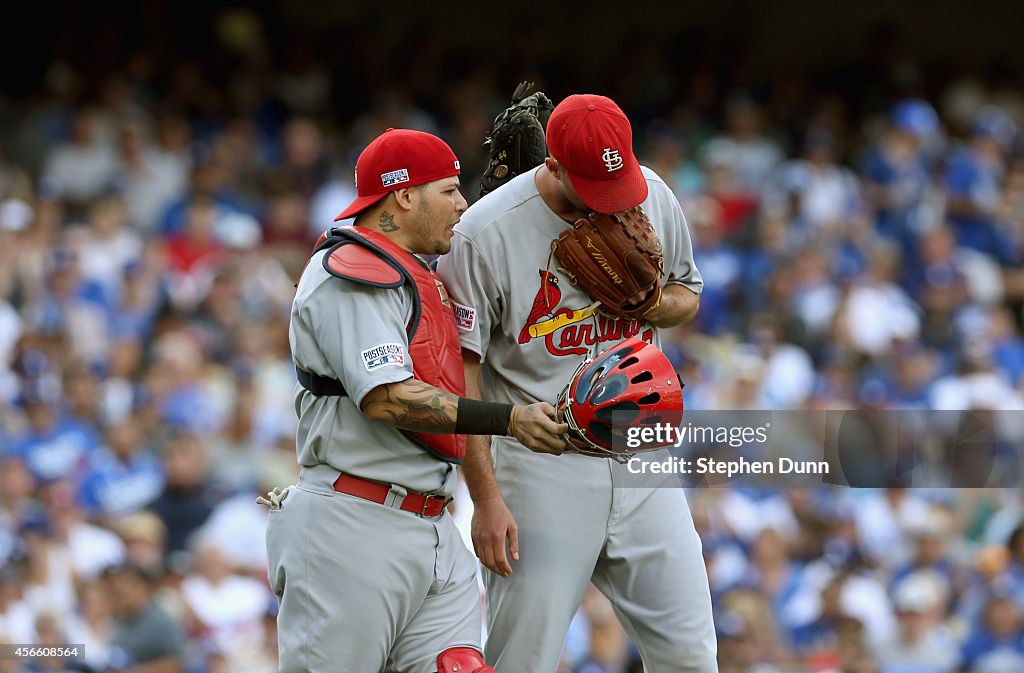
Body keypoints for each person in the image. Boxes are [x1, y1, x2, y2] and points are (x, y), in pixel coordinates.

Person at [265, 127, 569, 673]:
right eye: (449, 190)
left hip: (432, 523)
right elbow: (389, 399)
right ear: (404, 195)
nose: (464, 203)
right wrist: (511, 420)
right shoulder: (351, 274)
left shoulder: (413, 272)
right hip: (352, 526)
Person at [435, 95, 718, 672]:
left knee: (691, 656)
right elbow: (464, 374)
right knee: (523, 659)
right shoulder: (483, 233)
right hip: (543, 465)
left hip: (642, 455)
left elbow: (688, 292)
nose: (611, 201)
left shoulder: (651, 193)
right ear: (554, 165)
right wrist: (485, 500)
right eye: (591, 185)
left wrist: (651, 303)